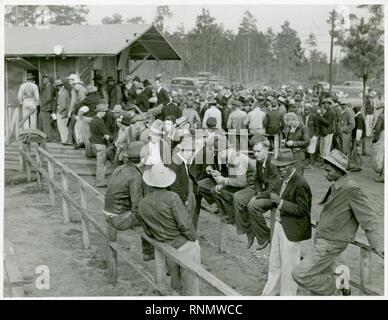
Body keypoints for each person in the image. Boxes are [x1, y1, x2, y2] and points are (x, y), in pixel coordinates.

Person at [292, 149, 383, 296]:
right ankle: (336, 284)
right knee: (317, 280)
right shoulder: (337, 184)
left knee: (300, 274)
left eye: (328, 170)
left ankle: (336, 287)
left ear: (339, 170)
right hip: (325, 239)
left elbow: (368, 218)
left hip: (330, 243)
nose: (325, 173)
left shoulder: (351, 189)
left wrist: (378, 245)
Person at [139, 164, 200, 295]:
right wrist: (193, 239)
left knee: (175, 282)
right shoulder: (172, 197)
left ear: (150, 183)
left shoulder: (142, 203)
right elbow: (185, 224)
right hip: (183, 244)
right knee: (191, 284)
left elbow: (147, 231)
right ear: (167, 182)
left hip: (165, 245)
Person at [262, 149, 312, 296]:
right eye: (278, 167)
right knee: (275, 263)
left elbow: (303, 210)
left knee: (289, 267)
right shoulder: (282, 179)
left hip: (291, 229)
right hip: (279, 224)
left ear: (292, 164)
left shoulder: (300, 182)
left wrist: (281, 202)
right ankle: (269, 294)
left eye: (284, 166)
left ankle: (288, 296)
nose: (281, 169)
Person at [234, 134, 281, 250]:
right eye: (254, 151)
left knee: (252, 205)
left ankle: (265, 235)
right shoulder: (260, 161)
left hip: (274, 194)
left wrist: (259, 196)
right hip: (264, 191)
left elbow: (274, 188)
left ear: (267, 150)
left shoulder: (273, 164)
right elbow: (257, 180)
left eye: (258, 151)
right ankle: (249, 231)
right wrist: (259, 192)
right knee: (237, 197)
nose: (255, 154)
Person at [209, 144, 250, 224]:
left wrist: (224, 180)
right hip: (243, 184)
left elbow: (242, 182)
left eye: (219, 152)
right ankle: (230, 214)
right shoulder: (230, 156)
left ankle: (238, 217)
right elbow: (233, 176)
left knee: (225, 193)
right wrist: (222, 181)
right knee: (215, 190)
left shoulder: (236, 158)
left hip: (250, 186)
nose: (217, 155)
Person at [89, 100, 114, 187]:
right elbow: (106, 134)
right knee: (101, 164)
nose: (105, 113)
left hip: (94, 143)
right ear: (100, 111)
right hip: (100, 144)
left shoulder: (93, 120)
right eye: (104, 111)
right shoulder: (100, 121)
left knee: (100, 163)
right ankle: (100, 182)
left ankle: (101, 180)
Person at [65, 74, 88, 146]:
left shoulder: (75, 88)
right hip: (85, 109)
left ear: (74, 80)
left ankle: (77, 142)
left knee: (75, 126)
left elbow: (73, 101)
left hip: (78, 109)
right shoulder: (83, 87)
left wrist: (70, 111)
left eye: (70, 80)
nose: (69, 81)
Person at [38, 75, 56, 141]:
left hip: (46, 108)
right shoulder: (47, 86)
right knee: (45, 123)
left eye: (44, 79)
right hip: (45, 107)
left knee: (46, 124)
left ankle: (48, 138)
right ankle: (46, 137)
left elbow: (49, 98)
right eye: (42, 79)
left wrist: (42, 104)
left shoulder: (49, 87)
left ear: (48, 79)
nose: (43, 81)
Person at [348, 105, 365, 172]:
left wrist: (357, 139)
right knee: (358, 152)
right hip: (360, 137)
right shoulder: (360, 116)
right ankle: (358, 165)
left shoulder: (358, 117)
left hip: (358, 138)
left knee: (357, 152)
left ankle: (358, 166)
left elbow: (359, 129)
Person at [304, 103, 320, 169]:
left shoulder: (313, 116)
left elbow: (317, 126)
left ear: (310, 110)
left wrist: (316, 135)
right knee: (308, 150)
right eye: (305, 110)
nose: (306, 111)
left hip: (312, 135)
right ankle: (310, 163)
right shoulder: (304, 116)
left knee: (311, 150)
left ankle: (311, 164)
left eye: (307, 110)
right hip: (307, 135)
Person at [54, 79, 70, 144]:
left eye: (57, 86)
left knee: (62, 128)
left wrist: (58, 112)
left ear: (59, 86)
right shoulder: (65, 91)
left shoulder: (63, 93)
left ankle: (64, 140)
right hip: (65, 112)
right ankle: (65, 140)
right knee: (64, 127)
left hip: (62, 113)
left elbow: (63, 105)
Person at [372, 104, 384, 182]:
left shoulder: (381, 116)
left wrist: (375, 139)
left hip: (383, 135)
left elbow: (378, 128)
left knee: (381, 155)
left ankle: (383, 175)